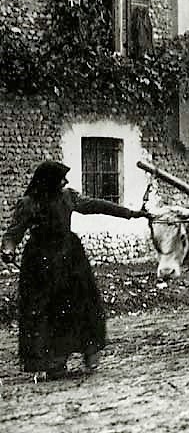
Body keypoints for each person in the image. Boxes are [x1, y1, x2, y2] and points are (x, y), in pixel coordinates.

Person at [0, 161, 150, 379]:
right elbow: (13, 234)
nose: (66, 182)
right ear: (49, 181)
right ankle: (52, 361)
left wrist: (130, 213)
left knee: (82, 304)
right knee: (43, 310)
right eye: (61, 178)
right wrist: (8, 250)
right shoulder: (28, 204)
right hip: (40, 263)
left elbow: (98, 205)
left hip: (69, 259)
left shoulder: (68, 197)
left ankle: (89, 352)